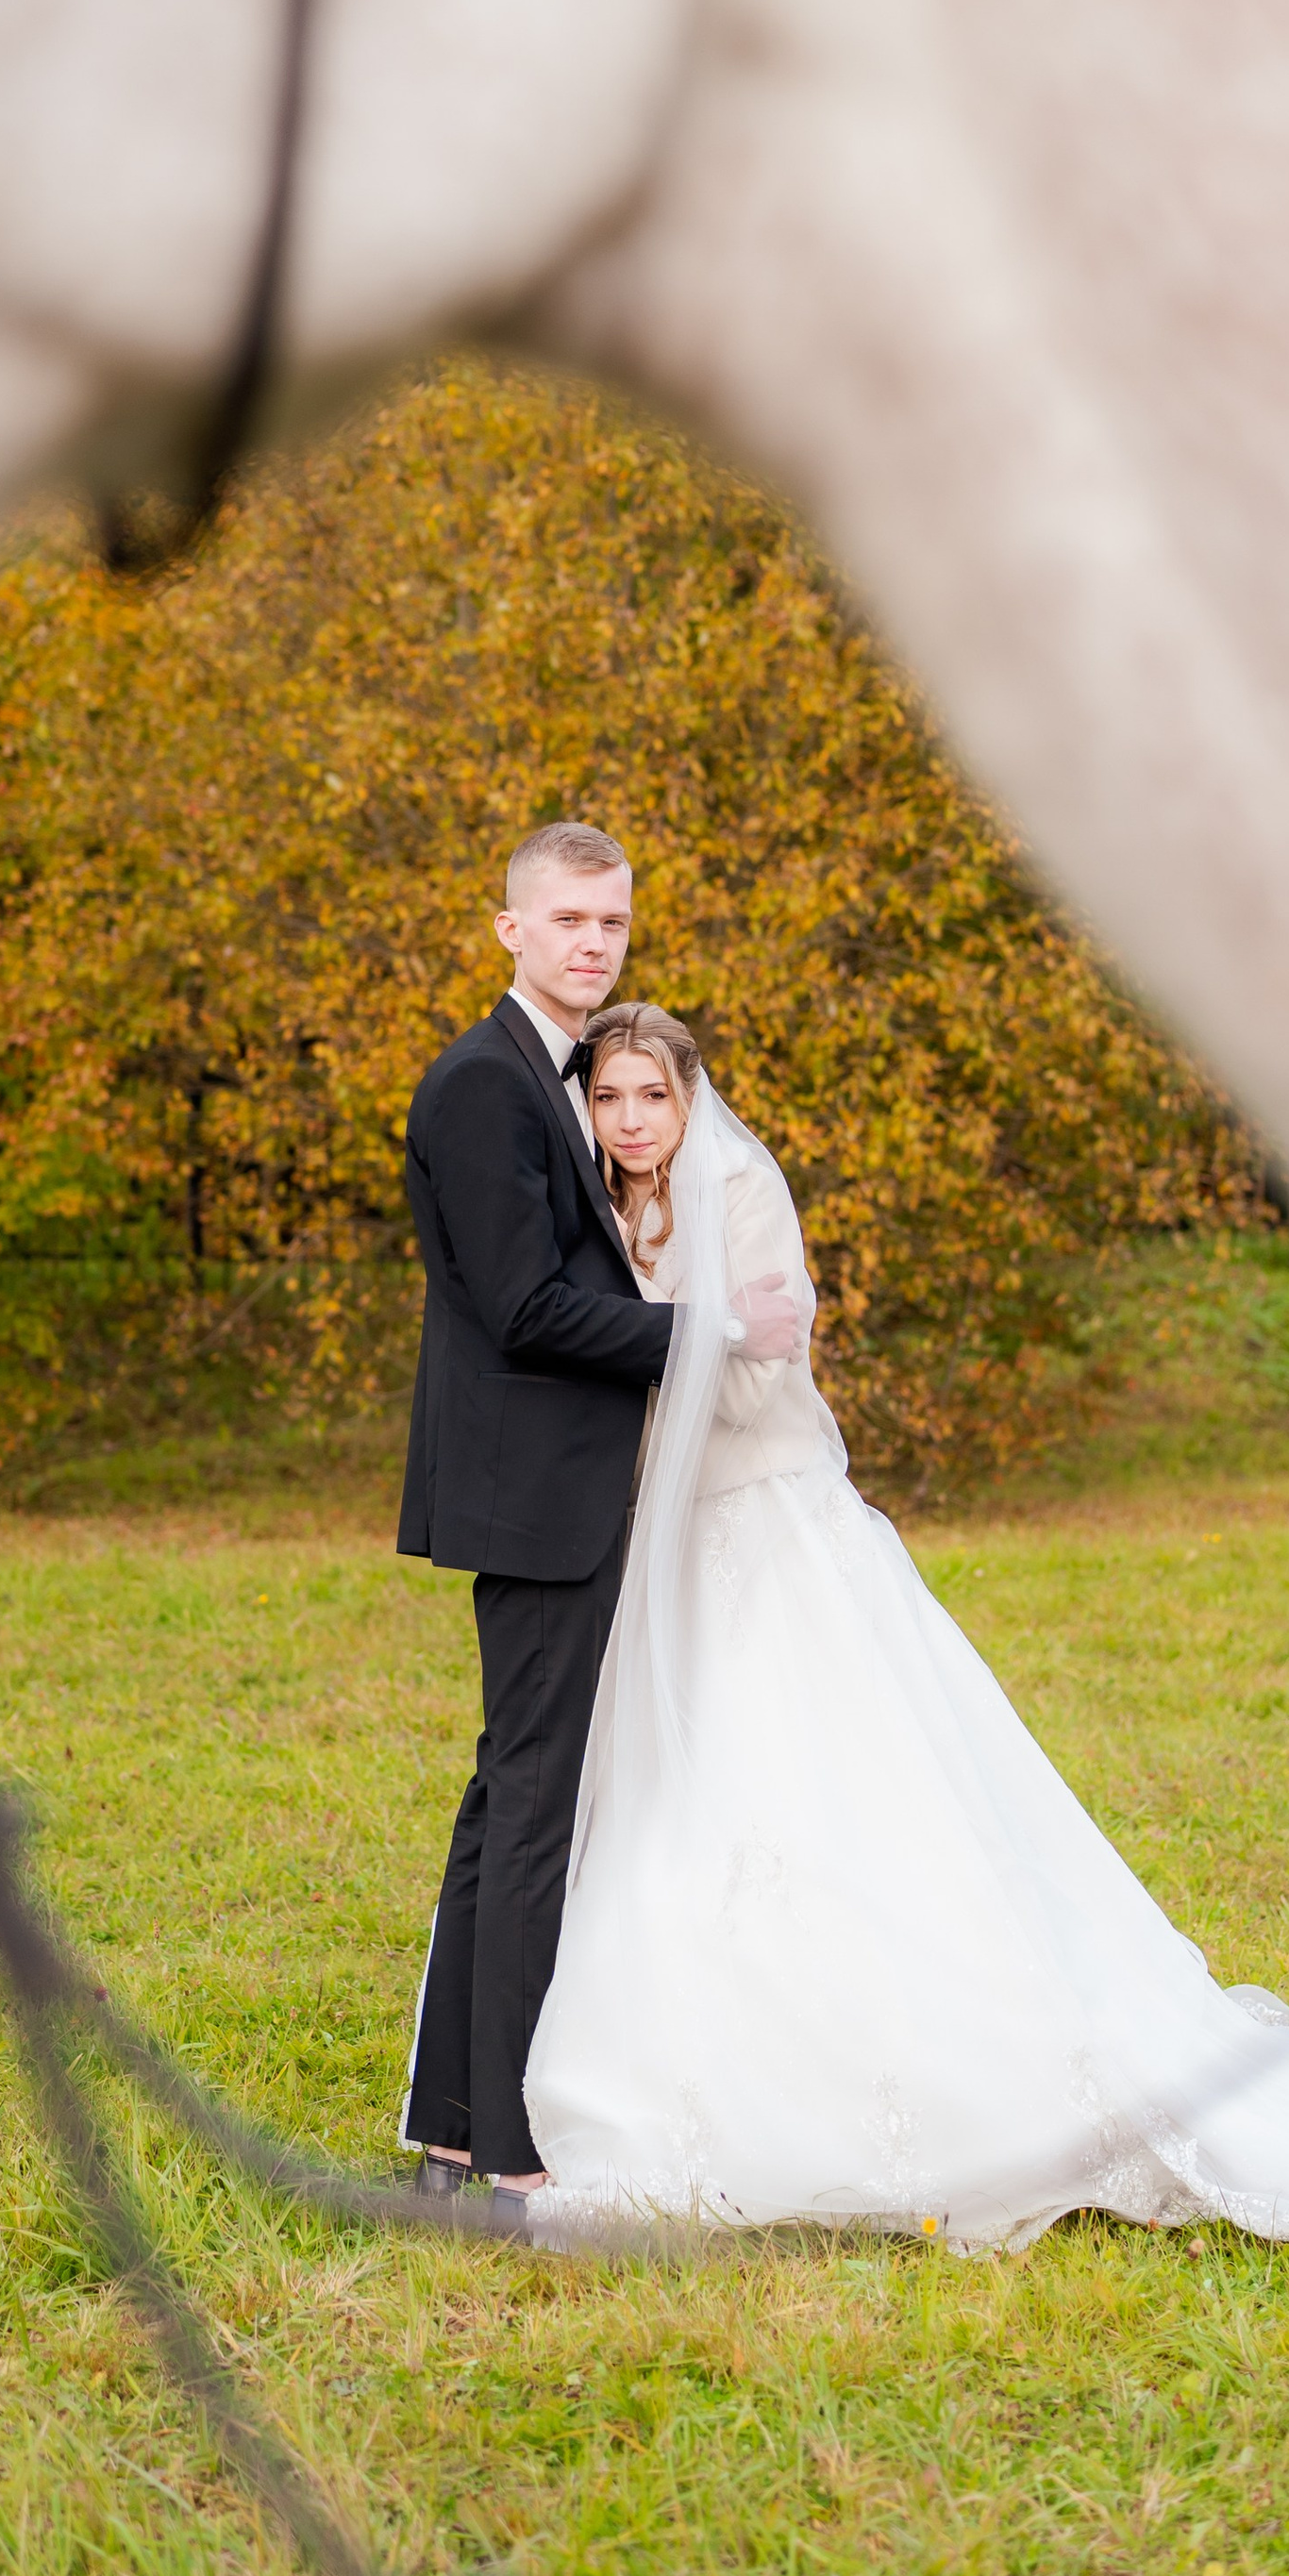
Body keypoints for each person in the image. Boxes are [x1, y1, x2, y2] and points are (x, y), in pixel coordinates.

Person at [523, 1006, 1289, 2262]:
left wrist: (677, 1338)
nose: (634, 1120)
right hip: (665, 1559)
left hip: (769, 1532)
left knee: (824, 1790)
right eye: (612, 1100)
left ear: (688, 1098)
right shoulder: (606, 1206)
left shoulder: (741, 1192)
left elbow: (765, 1375)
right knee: (680, 1800)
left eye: (652, 1096)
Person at [395, 829, 797, 2228]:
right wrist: (707, 1331)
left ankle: (451, 2129)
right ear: (507, 925)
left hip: (565, 1486)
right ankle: (508, 2148)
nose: (594, 943)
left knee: (512, 1793)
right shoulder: (483, 1086)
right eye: (566, 919)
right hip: (537, 1493)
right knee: (533, 1810)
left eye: (613, 921)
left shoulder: (561, 1083)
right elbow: (522, 1308)